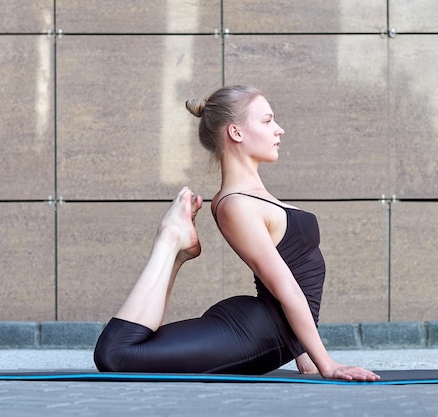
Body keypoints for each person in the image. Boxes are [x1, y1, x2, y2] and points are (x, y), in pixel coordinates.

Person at [93, 85, 380, 382]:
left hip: (258, 326)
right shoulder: (237, 204)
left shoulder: (252, 196)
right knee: (117, 355)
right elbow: (286, 288)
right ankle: (168, 240)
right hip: (256, 334)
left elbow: (294, 279)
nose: (278, 130)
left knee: (131, 352)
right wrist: (327, 364)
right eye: (267, 121)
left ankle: (176, 250)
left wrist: (304, 357)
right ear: (236, 133)